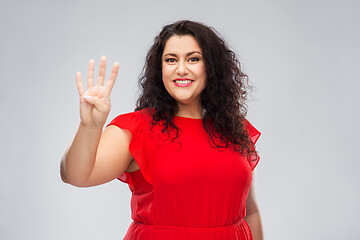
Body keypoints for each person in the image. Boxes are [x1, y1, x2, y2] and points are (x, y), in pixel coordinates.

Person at [60, 20, 264, 240]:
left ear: (211, 66)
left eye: (193, 59)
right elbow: (75, 175)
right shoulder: (136, 128)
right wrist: (90, 126)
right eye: (171, 60)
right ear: (161, 68)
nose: (181, 69)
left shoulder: (234, 129)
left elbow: (249, 211)